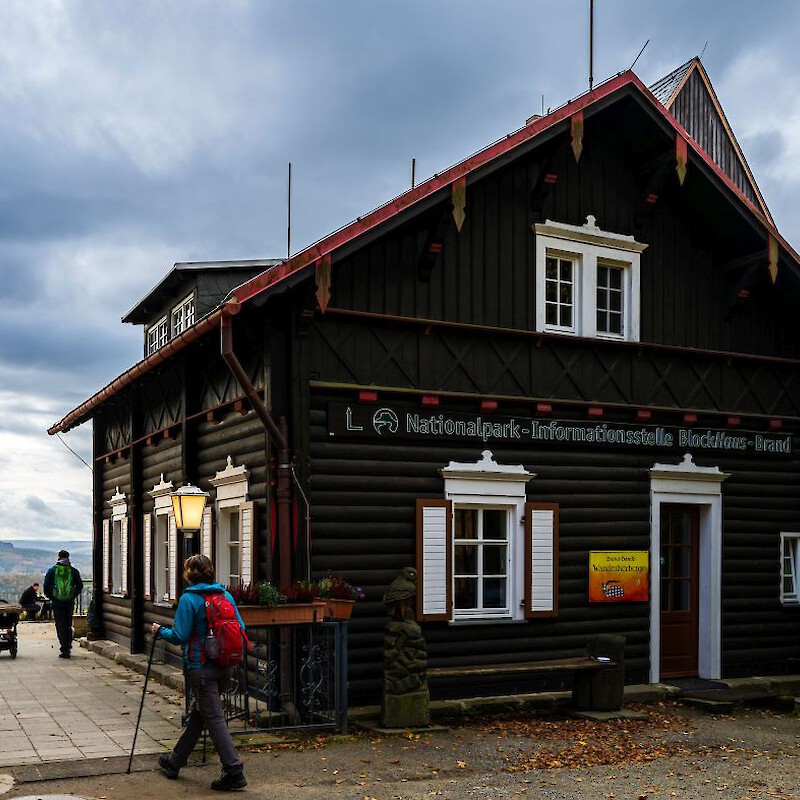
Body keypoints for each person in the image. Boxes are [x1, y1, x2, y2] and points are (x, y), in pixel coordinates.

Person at [152, 554, 247, 791]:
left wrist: (159, 631)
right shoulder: (224, 595)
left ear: (188, 574)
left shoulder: (189, 599)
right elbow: (241, 627)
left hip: (200, 668)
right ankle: (175, 761)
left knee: (213, 718)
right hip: (225, 667)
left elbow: (180, 636)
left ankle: (234, 771)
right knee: (200, 714)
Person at [43, 549, 83, 658]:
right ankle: (68, 646)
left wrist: (52, 597)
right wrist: (73, 595)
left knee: (60, 625)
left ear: (58, 557)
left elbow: (46, 587)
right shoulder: (73, 571)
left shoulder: (52, 571)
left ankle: (63, 647)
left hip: (57, 602)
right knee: (68, 624)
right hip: (69, 602)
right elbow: (79, 586)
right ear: (68, 557)